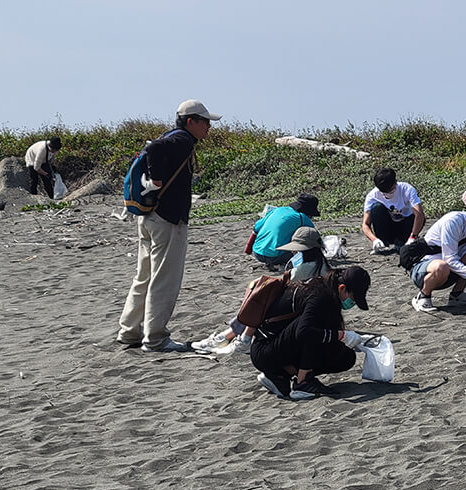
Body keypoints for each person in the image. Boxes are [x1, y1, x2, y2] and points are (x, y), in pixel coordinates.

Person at [117, 99, 222, 352]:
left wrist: (155, 182)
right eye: (205, 121)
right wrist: (157, 179)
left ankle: (129, 331)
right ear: (191, 122)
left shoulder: (173, 135)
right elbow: (155, 150)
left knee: (144, 276)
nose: (209, 127)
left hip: (149, 216)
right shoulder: (182, 140)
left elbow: (154, 147)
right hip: (167, 219)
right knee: (164, 279)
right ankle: (155, 338)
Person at [193, 226, 331, 354]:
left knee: (259, 303)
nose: (294, 252)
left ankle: (238, 339)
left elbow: (286, 285)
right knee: (261, 302)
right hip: (309, 310)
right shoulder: (323, 266)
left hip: (298, 312)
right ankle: (231, 337)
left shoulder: (304, 269)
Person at [251, 266, 372, 400]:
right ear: (342, 288)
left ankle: (280, 375)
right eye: (353, 299)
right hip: (265, 350)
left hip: (274, 345)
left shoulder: (326, 289)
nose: (352, 303)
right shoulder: (322, 297)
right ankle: (303, 382)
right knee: (317, 328)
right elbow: (303, 332)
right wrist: (342, 336)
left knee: (345, 357)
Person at [245, 194, 319, 268]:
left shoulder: (278, 210)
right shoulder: (302, 217)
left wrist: (248, 249)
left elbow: (256, 229)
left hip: (257, 253)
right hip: (277, 257)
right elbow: (314, 237)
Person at [361, 168, 425, 253]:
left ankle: (402, 242)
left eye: (390, 191)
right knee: (377, 208)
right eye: (384, 192)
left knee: (417, 214)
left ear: (395, 183)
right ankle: (383, 242)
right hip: (387, 228)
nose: (387, 194)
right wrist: (374, 240)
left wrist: (413, 236)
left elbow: (419, 215)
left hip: (405, 226)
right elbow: (365, 224)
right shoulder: (373, 196)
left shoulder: (407, 189)